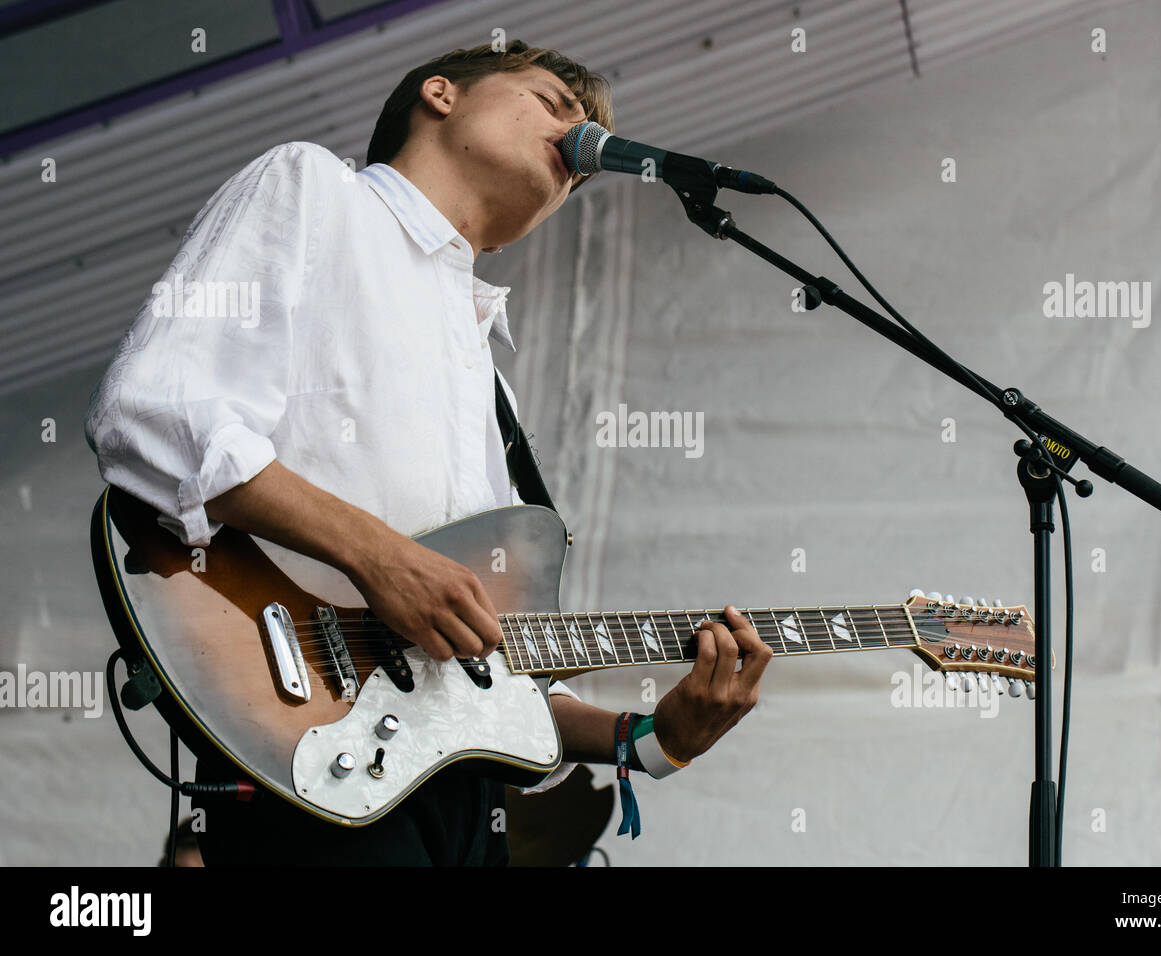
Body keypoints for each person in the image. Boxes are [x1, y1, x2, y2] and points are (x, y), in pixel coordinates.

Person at [85, 40, 771, 866]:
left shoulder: (494, 394)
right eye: (554, 101)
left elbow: (485, 687)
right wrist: (379, 557)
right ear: (440, 94)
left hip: (450, 805)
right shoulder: (315, 191)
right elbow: (152, 412)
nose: (577, 137)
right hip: (301, 752)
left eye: (586, 138)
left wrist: (654, 739)